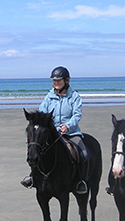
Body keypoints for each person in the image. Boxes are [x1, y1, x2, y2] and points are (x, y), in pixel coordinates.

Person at [21, 66, 89, 194]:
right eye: (54, 81)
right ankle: (33, 177)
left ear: (66, 81)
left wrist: (68, 125)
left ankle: (81, 181)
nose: (56, 83)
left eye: (59, 80)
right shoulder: (49, 96)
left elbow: (77, 114)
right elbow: (42, 112)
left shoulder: (74, 96)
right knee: (36, 151)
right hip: (52, 134)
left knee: (84, 154)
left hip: (70, 133)